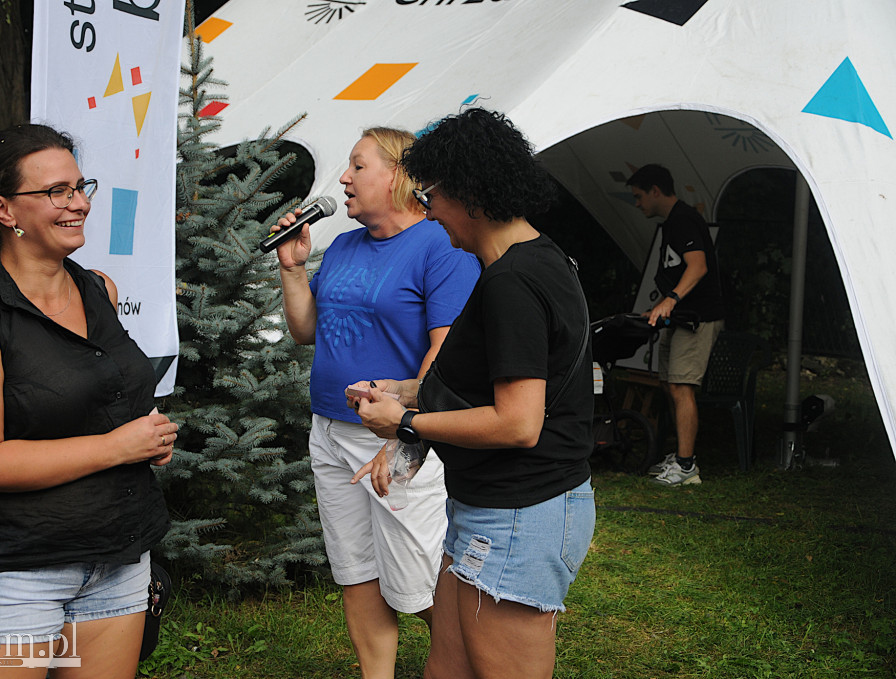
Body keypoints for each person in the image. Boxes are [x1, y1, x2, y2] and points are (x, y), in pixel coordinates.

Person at [351, 108, 596, 679]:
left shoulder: (513, 281)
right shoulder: (529, 260)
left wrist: (406, 424)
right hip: (488, 508)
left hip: (519, 511)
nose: (428, 209)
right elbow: (505, 376)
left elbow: (518, 422)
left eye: (431, 194)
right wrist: (406, 391)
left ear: (471, 193)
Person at [0, 123, 178, 676]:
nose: (80, 204)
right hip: (13, 572)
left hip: (117, 562)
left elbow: (103, 399)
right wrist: (116, 446)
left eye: (79, 186)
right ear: (3, 210)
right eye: (56, 192)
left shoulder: (99, 289)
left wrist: (148, 440)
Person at [273, 127, 480, 679]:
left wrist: (409, 434)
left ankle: (469, 666)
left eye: (357, 166)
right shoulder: (342, 245)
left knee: (420, 578)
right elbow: (306, 331)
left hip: (398, 435)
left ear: (399, 176)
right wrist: (293, 269)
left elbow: (445, 352)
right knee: (356, 570)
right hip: (331, 429)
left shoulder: (441, 245)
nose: (343, 177)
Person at [627, 164, 725, 486]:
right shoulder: (673, 223)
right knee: (671, 384)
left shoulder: (683, 220)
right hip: (681, 317)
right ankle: (681, 456)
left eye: (639, 196)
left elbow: (698, 267)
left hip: (697, 319)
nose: (637, 204)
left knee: (682, 387)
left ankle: (686, 467)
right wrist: (660, 307)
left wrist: (670, 299)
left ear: (656, 190)